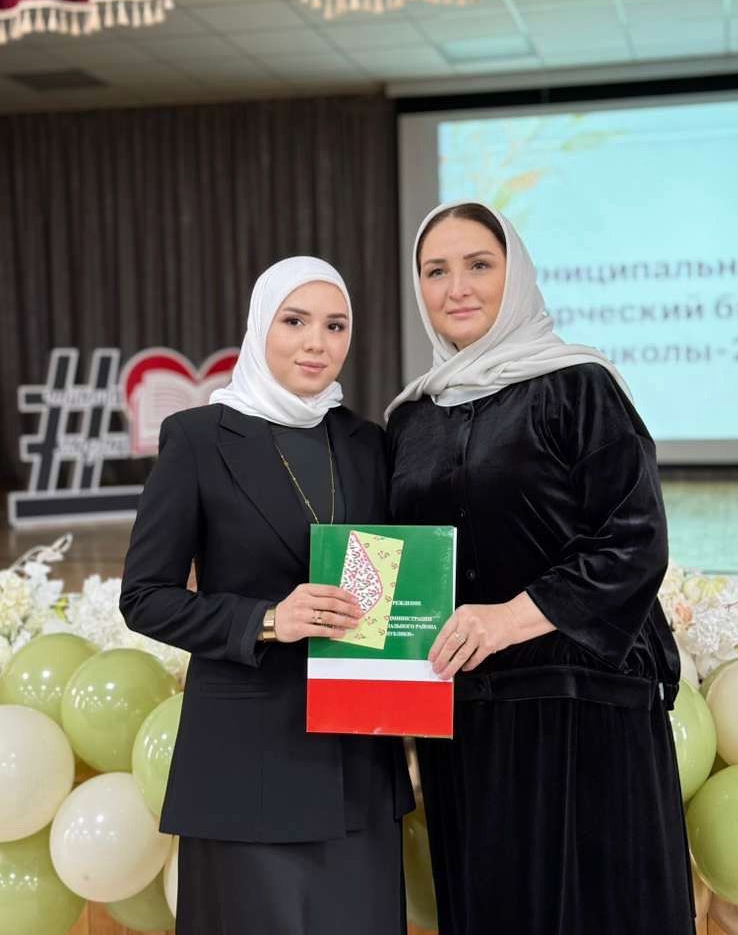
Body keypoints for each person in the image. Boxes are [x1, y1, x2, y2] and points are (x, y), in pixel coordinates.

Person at [385, 201, 695, 935]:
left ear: (516, 274)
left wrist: (508, 620)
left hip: (581, 705)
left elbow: (635, 540)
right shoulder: (410, 418)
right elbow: (391, 559)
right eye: (436, 271)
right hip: (466, 718)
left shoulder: (579, 385)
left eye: (479, 265)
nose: (458, 287)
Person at [121, 256, 413, 935]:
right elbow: (145, 595)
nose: (317, 342)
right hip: (247, 766)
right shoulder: (198, 439)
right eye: (295, 321)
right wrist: (269, 619)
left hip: (357, 767)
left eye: (335, 325)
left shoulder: (369, 444)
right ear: (260, 327)